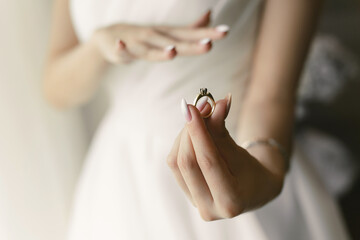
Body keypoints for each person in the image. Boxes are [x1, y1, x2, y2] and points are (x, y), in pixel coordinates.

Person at [44, 0, 349, 239]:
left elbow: (271, 96)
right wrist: (99, 48)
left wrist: (261, 174)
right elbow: (54, 87)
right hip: (119, 177)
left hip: (233, 154)